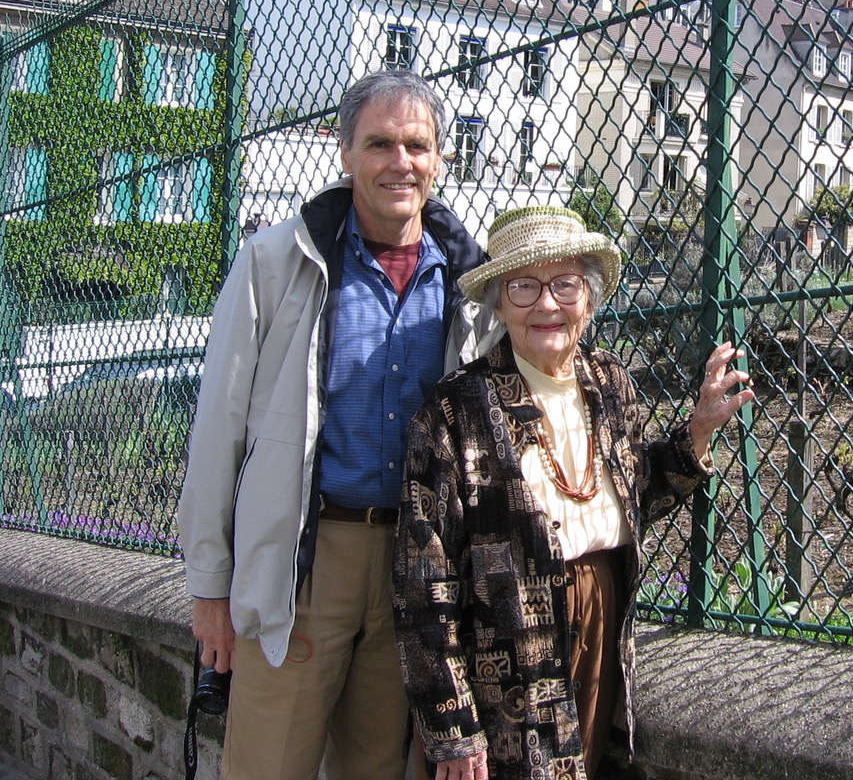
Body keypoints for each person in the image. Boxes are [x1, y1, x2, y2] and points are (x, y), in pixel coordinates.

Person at [178, 69, 488, 780]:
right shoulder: (274, 261)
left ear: (440, 158)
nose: (400, 163)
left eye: (417, 145)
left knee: (374, 768)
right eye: (379, 144)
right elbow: (219, 428)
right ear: (344, 150)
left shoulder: (473, 284)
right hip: (302, 562)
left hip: (412, 568)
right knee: (264, 766)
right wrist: (209, 589)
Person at [394, 205, 754, 780]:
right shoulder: (453, 410)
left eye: (565, 283)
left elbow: (635, 494)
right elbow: (422, 587)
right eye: (523, 286)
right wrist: (453, 730)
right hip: (505, 646)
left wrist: (698, 431)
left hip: (602, 614)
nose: (547, 304)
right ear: (497, 303)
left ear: (587, 297)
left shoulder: (609, 381)